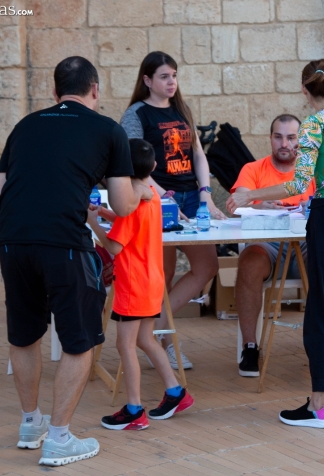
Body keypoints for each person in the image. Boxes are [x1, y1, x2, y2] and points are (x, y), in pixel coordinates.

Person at [0, 56, 149, 466]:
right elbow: (121, 202)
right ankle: (59, 437)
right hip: (64, 243)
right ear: (95, 90)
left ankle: (31, 423)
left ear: (54, 91)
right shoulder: (108, 131)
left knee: (24, 334)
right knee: (79, 340)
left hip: (12, 240)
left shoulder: (25, 125)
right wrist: (141, 191)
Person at [227, 60, 324, 428]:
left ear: (305, 91)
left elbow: (297, 184)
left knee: (321, 311)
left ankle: (320, 405)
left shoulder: (312, 125)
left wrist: (250, 196)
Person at [120, 51, 225, 370]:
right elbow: (131, 162)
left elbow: (197, 153)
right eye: (164, 76)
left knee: (207, 266)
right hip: (156, 200)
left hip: (192, 196)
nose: (171, 82)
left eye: (174, 76)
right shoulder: (136, 114)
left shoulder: (182, 109)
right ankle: (164, 344)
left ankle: (157, 327)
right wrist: (161, 195)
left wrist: (206, 193)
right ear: (147, 80)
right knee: (160, 277)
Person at [230, 114, 324, 378]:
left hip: (308, 245)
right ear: (270, 139)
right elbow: (237, 201)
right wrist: (261, 203)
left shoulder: (315, 169)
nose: (285, 143)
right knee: (248, 262)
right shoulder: (254, 169)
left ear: (301, 140)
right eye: (278, 136)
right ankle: (250, 347)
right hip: (268, 246)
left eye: (291, 137)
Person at [88, 139, 194, 431]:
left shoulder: (131, 204)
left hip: (132, 284)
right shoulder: (151, 195)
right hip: (152, 280)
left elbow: (115, 246)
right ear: (154, 167)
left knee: (125, 345)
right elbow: (136, 226)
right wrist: (107, 215)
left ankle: (134, 409)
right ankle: (176, 392)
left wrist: (93, 224)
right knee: (145, 339)